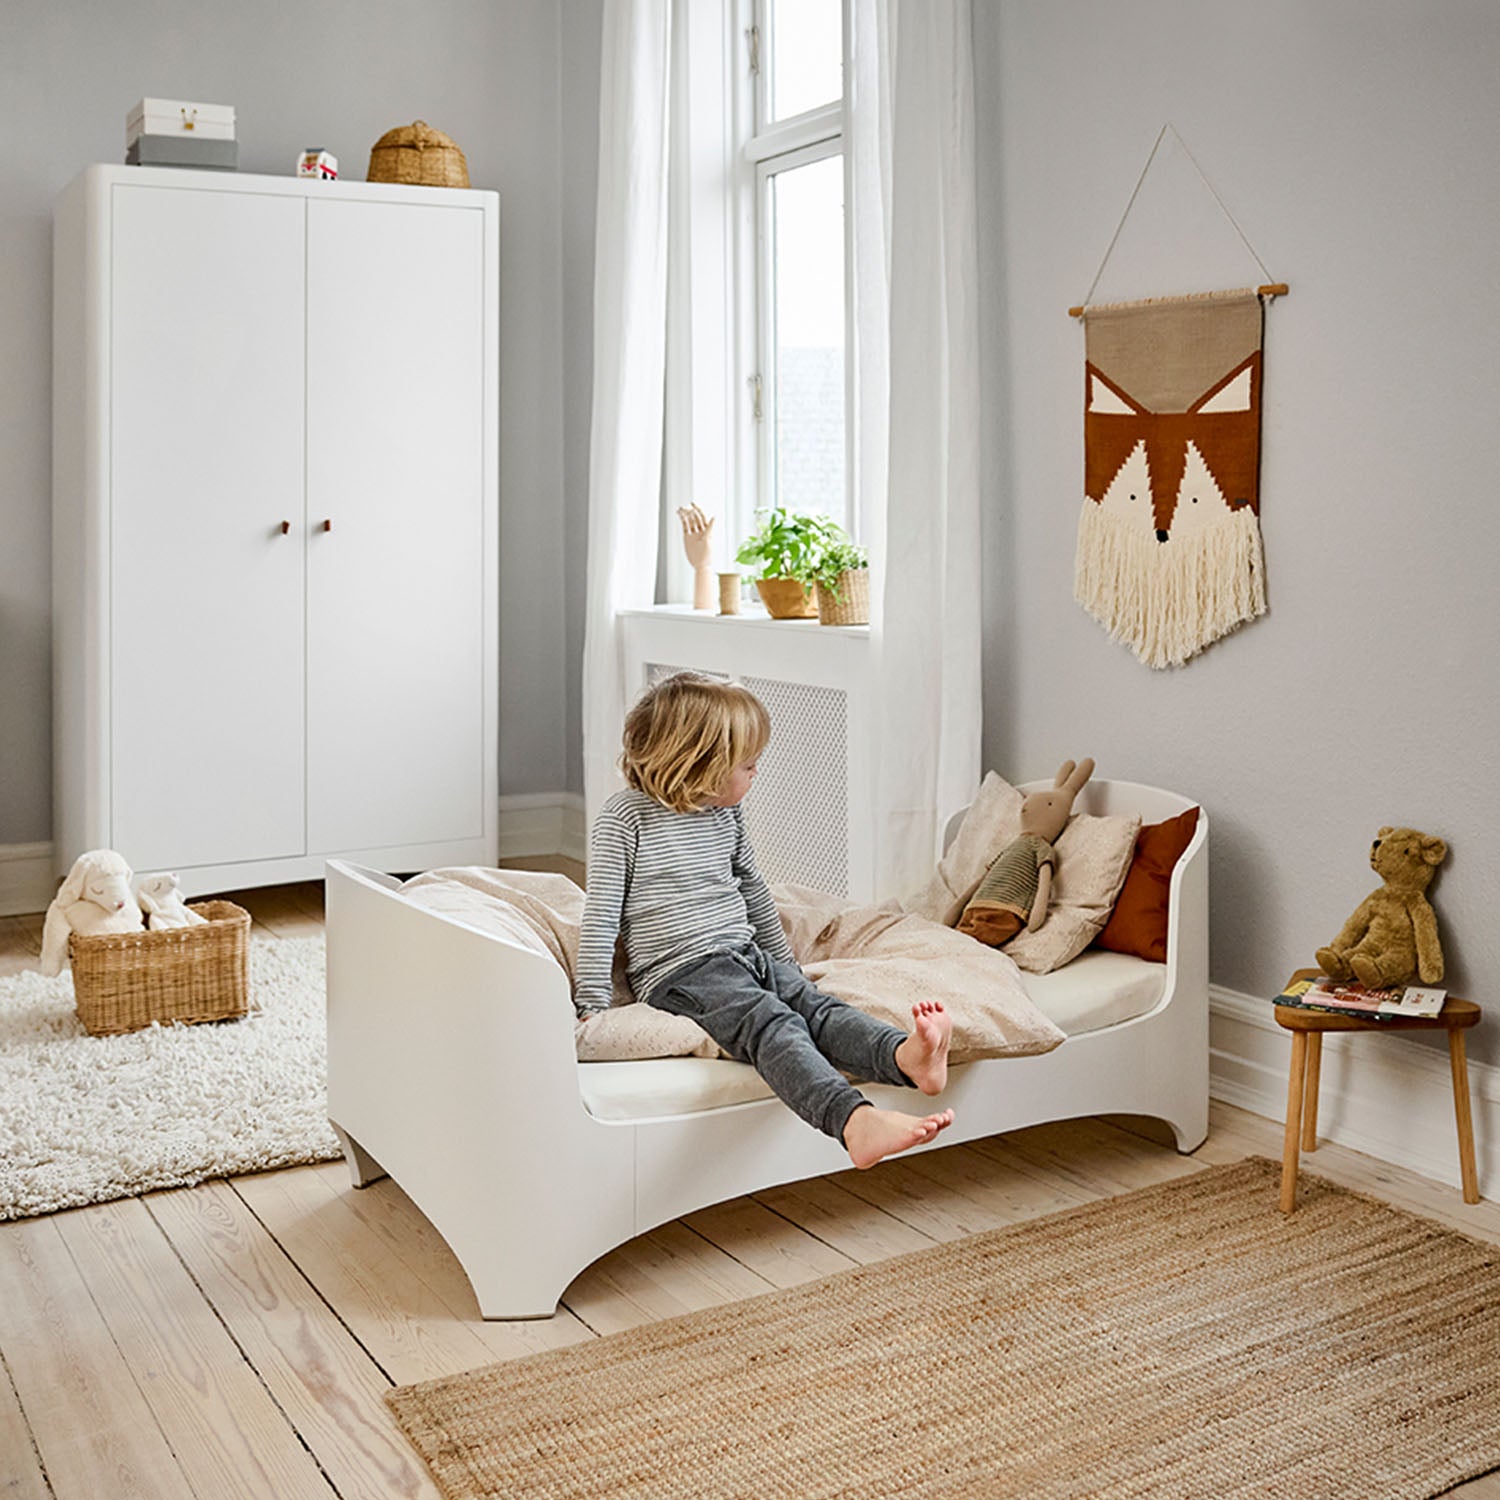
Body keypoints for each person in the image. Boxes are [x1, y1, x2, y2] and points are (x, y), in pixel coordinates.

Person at [576, 671, 954, 1169]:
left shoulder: (723, 814)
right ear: (698, 765)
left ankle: (904, 1058)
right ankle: (852, 1121)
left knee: (814, 1006)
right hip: (681, 972)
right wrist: (592, 1004)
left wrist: (784, 966)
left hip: (743, 954)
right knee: (771, 1023)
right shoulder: (626, 819)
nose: (756, 775)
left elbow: (752, 889)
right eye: (747, 766)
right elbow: (600, 914)